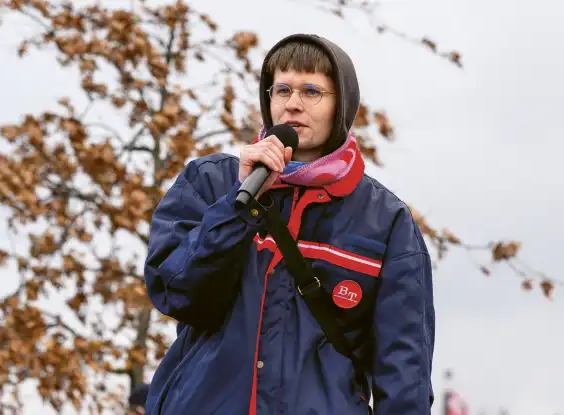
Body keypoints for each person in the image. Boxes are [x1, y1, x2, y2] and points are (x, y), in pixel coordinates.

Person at [143, 33, 435, 415]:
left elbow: (404, 372)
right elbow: (178, 293)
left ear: (341, 106)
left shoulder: (386, 221)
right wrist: (239, 206)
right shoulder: (211, 182)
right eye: (282, 90)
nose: (292, 104)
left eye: (311, 91)